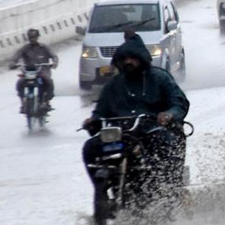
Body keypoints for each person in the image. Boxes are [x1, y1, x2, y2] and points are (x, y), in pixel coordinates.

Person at [81, 33, 190, 192]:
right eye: (124, 59)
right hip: (121, 135)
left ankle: (169, 189)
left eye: (132, 58)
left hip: (151, 131)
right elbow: (100, 113)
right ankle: (102, 189)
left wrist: (168, 115)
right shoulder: (113, 84)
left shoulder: (160, 78)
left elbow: (179, 103)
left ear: (142, 59)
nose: (128, 62)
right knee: (90, 147)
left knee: (165, 141)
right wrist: (93, 121)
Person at [11, 29, 58, 112]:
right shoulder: (25, 48)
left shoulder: (44, 48)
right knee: (20, 83)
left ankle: (46, 101)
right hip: (29, 72)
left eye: (34, 37)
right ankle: (23, 104)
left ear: (37, 37)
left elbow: (54, 56)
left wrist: (54, 62)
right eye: (30, 37)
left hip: (43, 71)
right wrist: (13, 63)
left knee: (49, 82)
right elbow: (15, 57)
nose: (32, 39)